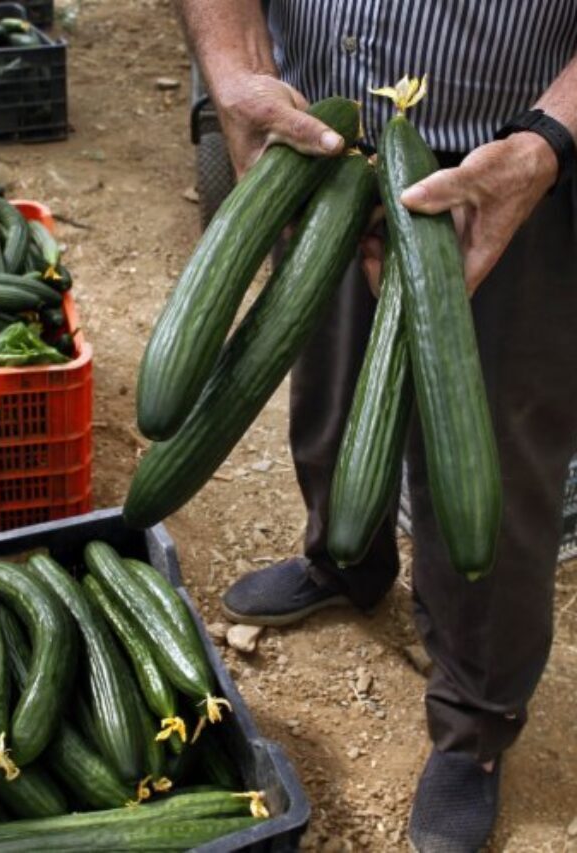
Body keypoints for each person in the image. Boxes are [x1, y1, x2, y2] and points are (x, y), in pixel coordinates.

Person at [175, 2, 577, 850]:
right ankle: (345, 559)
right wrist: (235, 67)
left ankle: (477, 719)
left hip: (511, 164)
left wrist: (550, 139)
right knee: (324, 377)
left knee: (492, 449)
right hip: (317, 137)